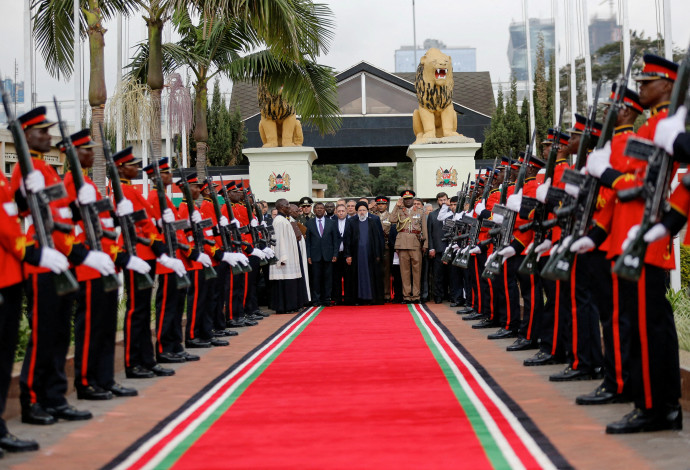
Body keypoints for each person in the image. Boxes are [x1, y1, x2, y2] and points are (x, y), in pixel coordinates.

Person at [12, 107, 107, 425]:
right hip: (42, 263)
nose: (48, 136)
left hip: (62, 261)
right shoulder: (26, 169)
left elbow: (63, 219)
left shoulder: (50, 172)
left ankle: (54, 397)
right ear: (26, 135)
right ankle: (32, 400)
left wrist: (79, 206)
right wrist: (26, 192)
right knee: (42, 336)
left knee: (58, 335)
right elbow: (22, 210)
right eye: (42, 132)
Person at [60, 130, 142, 401]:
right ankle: (86, 381)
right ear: (73, 154)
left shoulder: (88, 184)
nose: (92, 153)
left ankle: (105, 379)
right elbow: (68, 220)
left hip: (105, 264)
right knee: (90, 327)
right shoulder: (72, 181)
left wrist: (119, 219)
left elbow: (102, 224)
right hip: (87, 265)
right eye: (87, 149)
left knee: (106, 326)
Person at [270, 199, 307, 313]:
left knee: (291, 283)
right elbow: (279, 240)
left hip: (290, 256)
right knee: (284, 283)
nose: (289, 207)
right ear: (281, 207)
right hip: (284, 257)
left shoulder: (286, 220)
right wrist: (282, 257)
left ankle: (292, 305)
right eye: (287, 205)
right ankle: (285, 307)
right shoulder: (279, 221)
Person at [344, 201, 385, 304]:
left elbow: (380, 238)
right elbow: (347, 239)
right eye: (360, 210)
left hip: (371, 254)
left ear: (367, 210)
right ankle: (359, 299)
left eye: (364, 210)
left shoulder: (374, 219)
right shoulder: (351, 221)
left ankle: (372, 299)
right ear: (357, 211)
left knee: (372, 275)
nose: (362, 212)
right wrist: (348, 255)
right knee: (357, 276)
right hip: (356, 255)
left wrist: (379, 254)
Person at [390, 190, 426, 303]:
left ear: (413, 199)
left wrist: (426, 244)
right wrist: (396, 206)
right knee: (404, 272)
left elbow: (424, 229)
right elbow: (392, 220)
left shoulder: (420, 211)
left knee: (417, 271)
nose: (408, 200)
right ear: (402, 200)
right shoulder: (400, 210)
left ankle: (416, 296)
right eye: (405, 199)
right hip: (402, 244)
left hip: (416, 243)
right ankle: (406, 296)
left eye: (410, 198)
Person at [305, 202, 338, 306]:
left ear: (324, 210)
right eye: (317, 208)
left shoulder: (331, 223)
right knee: (316, 279)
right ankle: (316, 300)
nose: (319, 210)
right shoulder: (309, 223)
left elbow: (335, 240)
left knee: (327, 279)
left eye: (321, 208)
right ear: (314, 210)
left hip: (328, 255)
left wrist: (335, 254)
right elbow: (308, 242)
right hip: (315, 256)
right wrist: (308, 255)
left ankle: (327, 299)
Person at [427, 192, 450, 304]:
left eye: (445, 200)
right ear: (437, 201)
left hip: (451, 248)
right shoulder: (432, 215)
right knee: (438, 274)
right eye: (441, 200)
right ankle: (438, 296)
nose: (443, 202)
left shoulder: (452, 213)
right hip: (438, 248)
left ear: (448, 200)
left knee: (451, 274)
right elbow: (429, 233)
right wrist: (431, 248)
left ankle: (450, 295)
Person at [373, 196, 394, 301]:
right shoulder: (372, 216)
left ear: (386, 205)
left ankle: (386, 294)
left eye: (382, 204)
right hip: (374, 247)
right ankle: (376, 293)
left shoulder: (390, 216)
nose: (380, 206)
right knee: (375, 270)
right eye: (378, 204)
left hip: (386, 246)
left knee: (386, 271)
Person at [331, 204, 348, 304]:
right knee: (336, 277)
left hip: (347, 254)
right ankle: (337, 298)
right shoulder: (332, 223)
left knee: (348, 277)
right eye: (339, 211)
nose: (341, 213)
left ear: (346, 212)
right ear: (336, 212)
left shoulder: (351, 222)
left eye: (343, 211)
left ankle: (347, 298)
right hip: (336, 254)